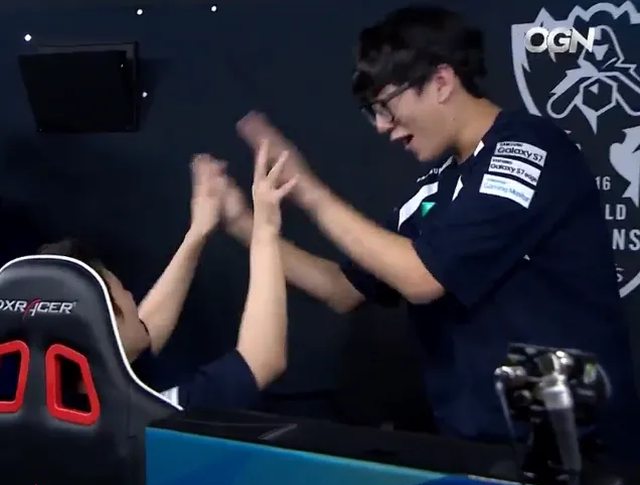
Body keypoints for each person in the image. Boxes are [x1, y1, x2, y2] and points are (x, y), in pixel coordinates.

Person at [221, 5, 640, 459]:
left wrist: (310, 192)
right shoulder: (436, 188)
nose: (383, 127)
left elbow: (422, 278)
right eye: (372, 112)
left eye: (386, 107)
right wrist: (242, 224)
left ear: (441, 82)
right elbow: (341, 289)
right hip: (477, 444)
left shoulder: (526, 152)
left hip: (572, 448)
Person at [39, 145, 297, 411]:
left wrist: (198, 231)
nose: (131, 297)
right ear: (104, 331)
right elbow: (262, 360)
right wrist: (264, 229)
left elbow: (138, 332)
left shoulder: (58, 402)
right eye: (121, 292)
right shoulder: (147, 415)